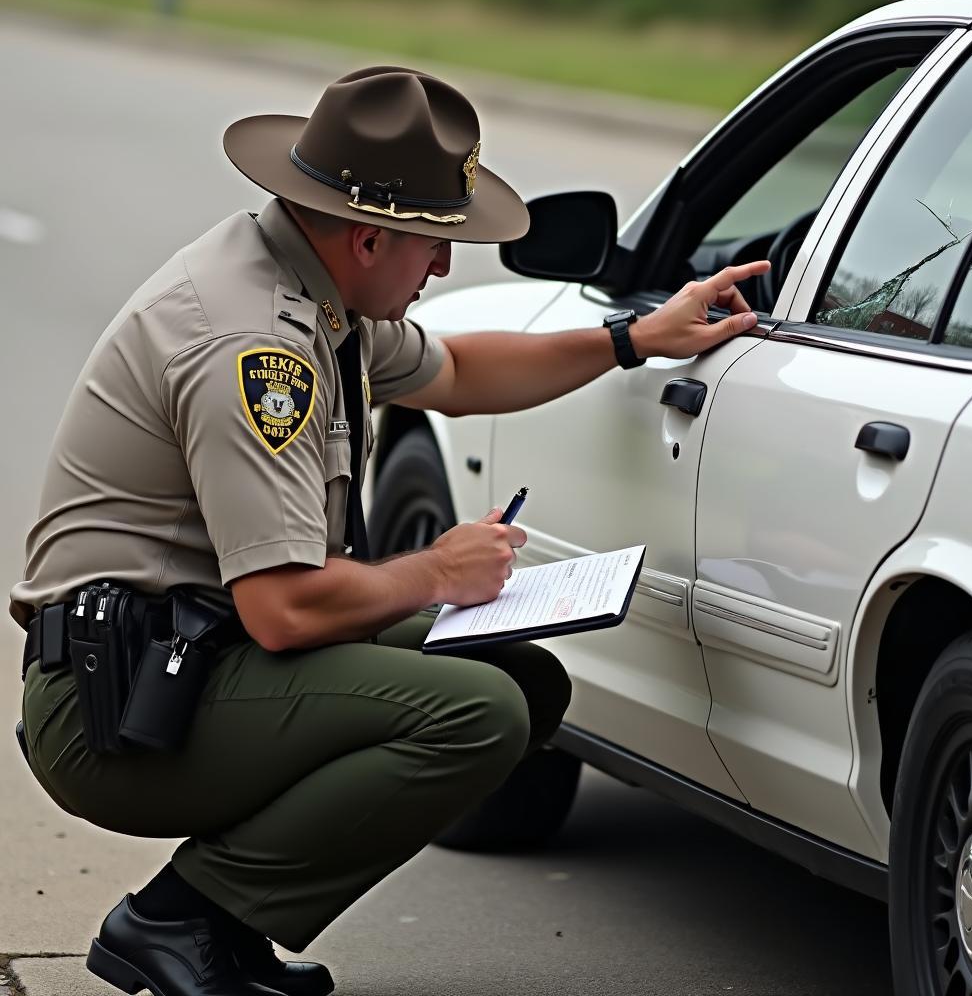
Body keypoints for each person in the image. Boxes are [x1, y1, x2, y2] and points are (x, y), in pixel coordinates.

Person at [12, 65, 769, 996]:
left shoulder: (309, 277)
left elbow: (455, 373)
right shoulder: (257, 347)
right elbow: (286, 611)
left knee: (518, 679)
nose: (446, 266)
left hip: (194, 652)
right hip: (115, 709)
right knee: (475, 714)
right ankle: (183, 919)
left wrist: (635, 339)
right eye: (435, 245)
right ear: (369, 237)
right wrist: (440, 570)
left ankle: (228, 929)